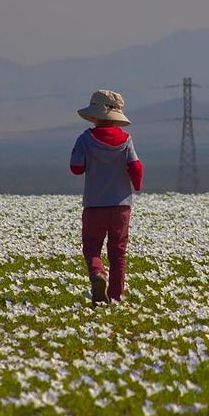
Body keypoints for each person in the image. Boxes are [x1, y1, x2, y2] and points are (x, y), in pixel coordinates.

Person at [70, 89, 143, 303]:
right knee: (118, 253)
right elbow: (136, 167)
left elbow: (76, 168)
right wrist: (136, 185)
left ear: (94, 116)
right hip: (121, 207)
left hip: (94, 205)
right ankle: (116, 297)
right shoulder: (126, 140)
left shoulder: (85, 138)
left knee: (92, 247)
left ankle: (97, 273)